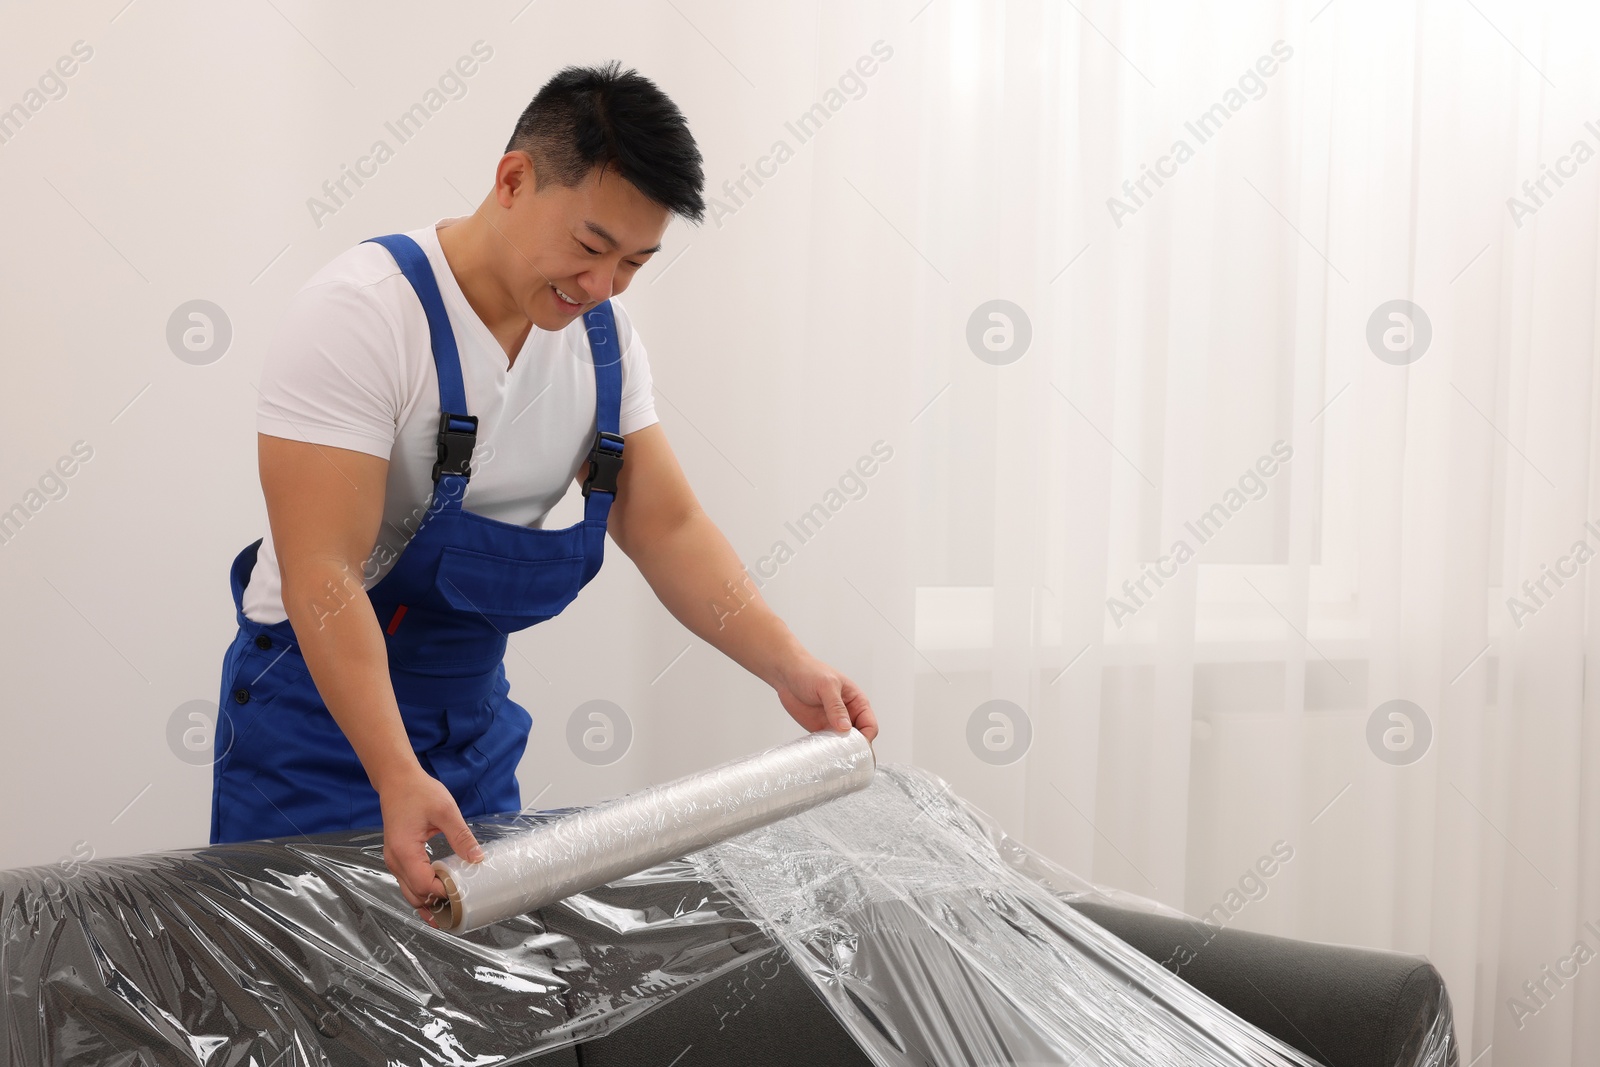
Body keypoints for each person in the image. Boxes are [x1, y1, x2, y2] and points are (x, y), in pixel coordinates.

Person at [211, 62, 878, 926]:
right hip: (314, 718)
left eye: (635, 262)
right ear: (514, 179)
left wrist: (790, 664)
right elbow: (322, 571)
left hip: (471, 725)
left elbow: (665, 522)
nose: (601, 286)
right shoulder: (365, 315)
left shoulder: (601, 343)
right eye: (592, 246)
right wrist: (394, 769)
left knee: (472, 1014)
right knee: (299, 1010)